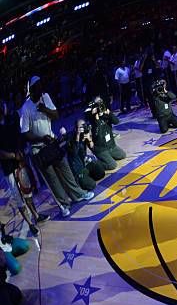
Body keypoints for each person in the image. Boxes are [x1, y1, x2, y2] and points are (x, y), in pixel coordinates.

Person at [20, 76, 94, 217]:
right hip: (39, 148)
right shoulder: (26, 108)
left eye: (41, 87)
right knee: (53, 179)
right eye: (37, 88)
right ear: (32, 89)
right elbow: (24, 133)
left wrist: (44, 109)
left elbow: (56, 115)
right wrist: (41, 138)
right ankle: (63, 205)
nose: (40, 90)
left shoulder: (45, 97)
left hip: (52, 142)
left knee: (65, 169)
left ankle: (78, 195)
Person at [0, 100, 49, 235]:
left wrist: (21, 150)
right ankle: (30, 224)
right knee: (18, 198)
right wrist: (13, 155)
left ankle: (37, 216)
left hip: (19, 164)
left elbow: (19, 136)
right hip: (9, 169)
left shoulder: (11, 121)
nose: (4, 107)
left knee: (27, 192)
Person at [63, 120, 105, 191]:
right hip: (78, 167)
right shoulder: (70, 138)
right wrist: (78, 136)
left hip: (85, 162)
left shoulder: (85, 134)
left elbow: (92, 148)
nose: (83, 128)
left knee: (101, 173)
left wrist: (89, 139)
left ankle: (87, 177)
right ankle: (80, 180)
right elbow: (74, 153)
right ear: (76, 129)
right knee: (91, 185)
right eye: (80, 127)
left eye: (84, 126)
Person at [88, 97, 126, 170]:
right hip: (101, 148)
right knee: (112, 165)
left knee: (122, 155)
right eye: (97, 104)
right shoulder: (92, 118)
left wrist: (109, 113)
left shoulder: (106, 113)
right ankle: (96, 164)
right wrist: (96, 118)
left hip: (110, 145)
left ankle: (107, 157)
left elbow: (116, 121)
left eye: (100, 102)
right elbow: (98, 135)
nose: (100, 106)